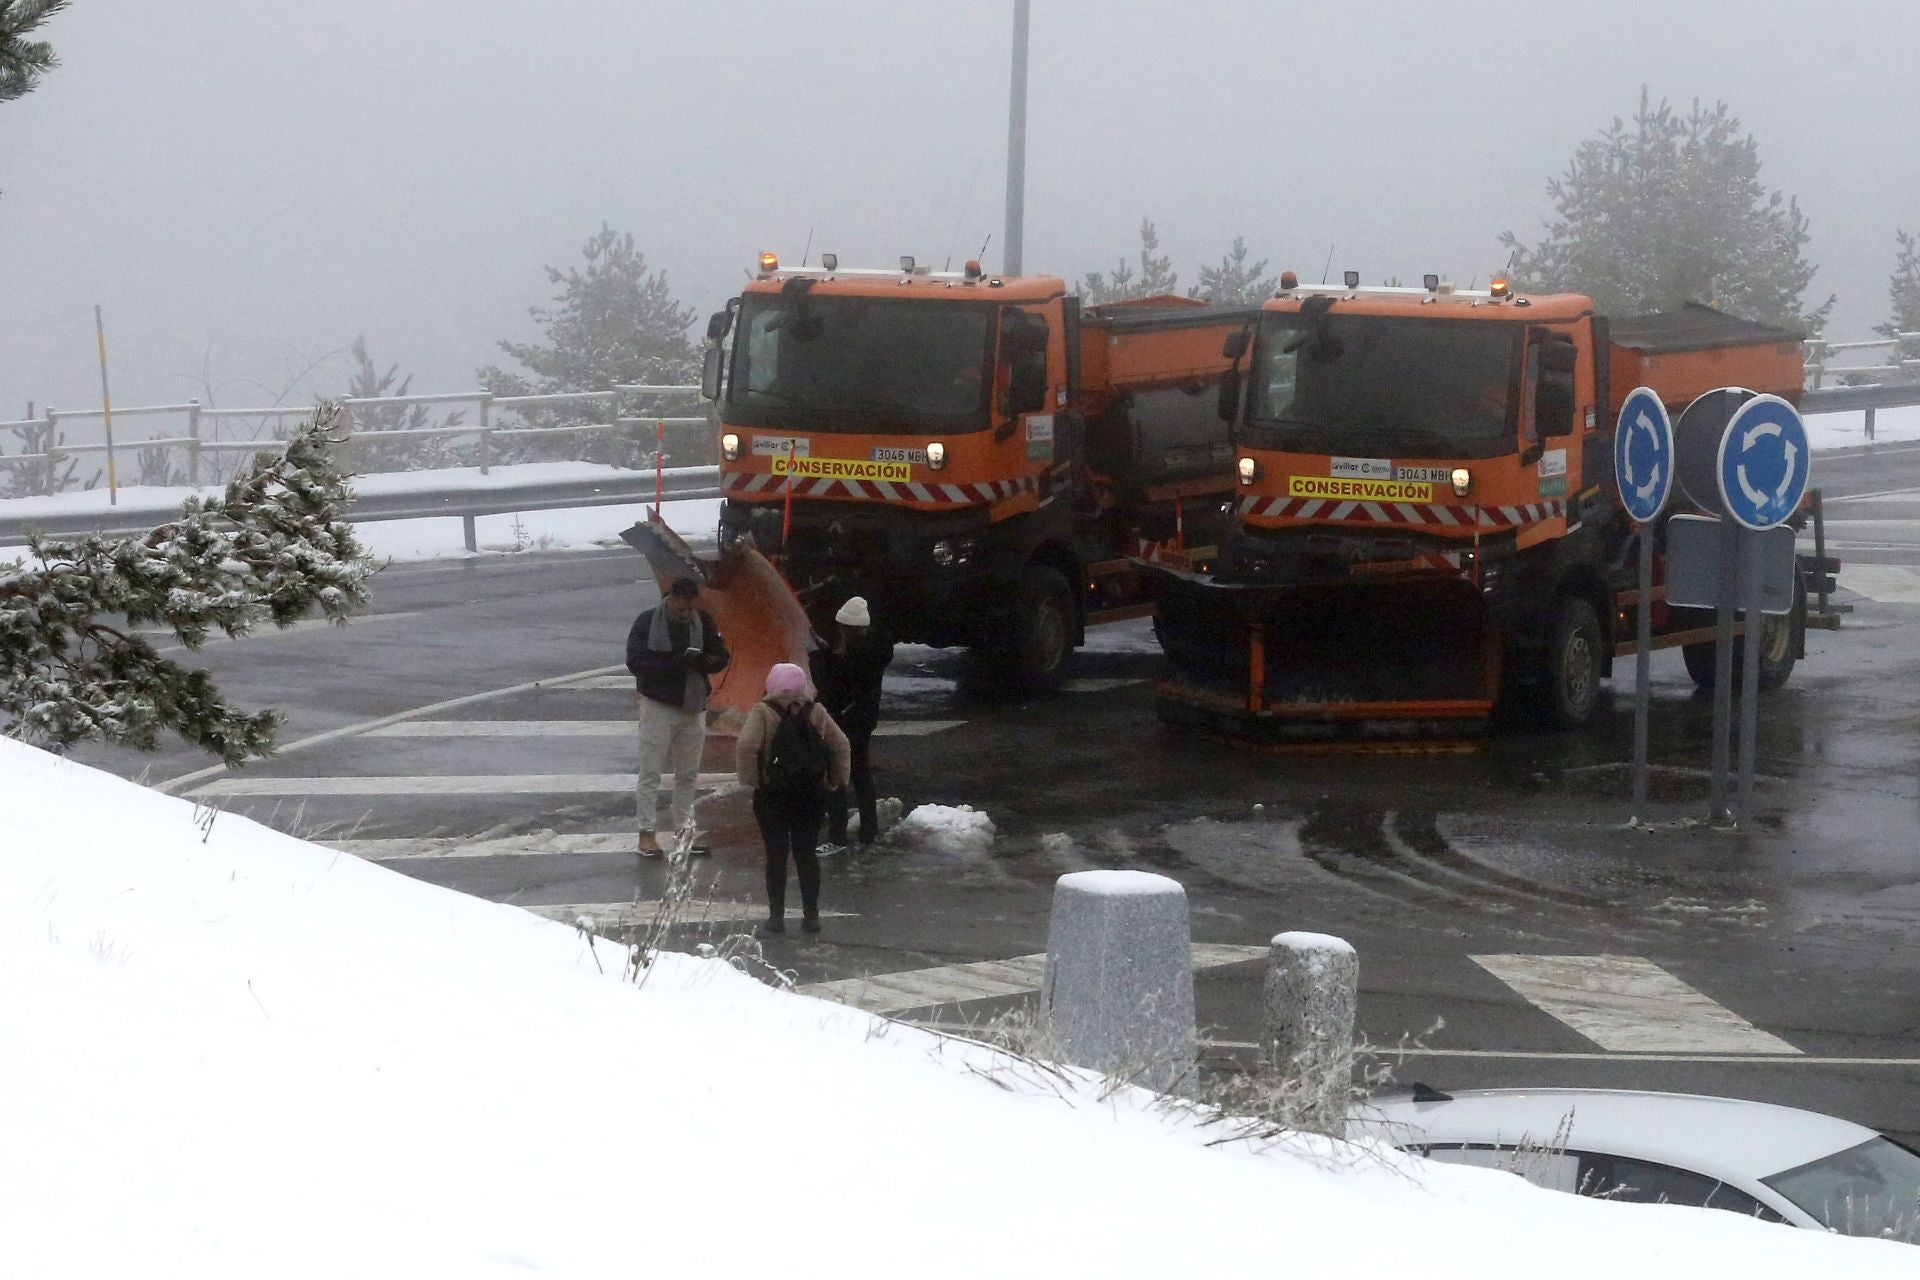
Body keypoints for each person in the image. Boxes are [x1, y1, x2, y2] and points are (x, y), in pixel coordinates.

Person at [735, 662, 850, 935]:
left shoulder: (763, 712)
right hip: (811, 794)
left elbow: (746, 746)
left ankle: (776, 917)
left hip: (773, 794)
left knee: (776, 854)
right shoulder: (817, 711)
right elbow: (841, 745)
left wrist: (753, 780)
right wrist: (837, 780)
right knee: (806, 853)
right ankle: (811, 916)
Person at [626, 576, 729, 858]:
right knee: (651, 771)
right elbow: (636, 663)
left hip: (692, 705)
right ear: (670, 600)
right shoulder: (648, 622)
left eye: (690, 608)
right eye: (681, 607)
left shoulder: (702, 621)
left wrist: (707, 661)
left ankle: (685, 829)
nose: (686, 613)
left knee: (688, 773)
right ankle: (646, 833)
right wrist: (678, 662)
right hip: (658, 704)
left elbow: (721, 654)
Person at [809, 595, 893, 848]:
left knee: (835, 776)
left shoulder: (849, 656)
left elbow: (831, 686)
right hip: (864, 720)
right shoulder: (875, 652)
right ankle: (869, 830)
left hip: (843, 721)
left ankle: (837, 836)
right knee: (860, 774)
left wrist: (818, 657)